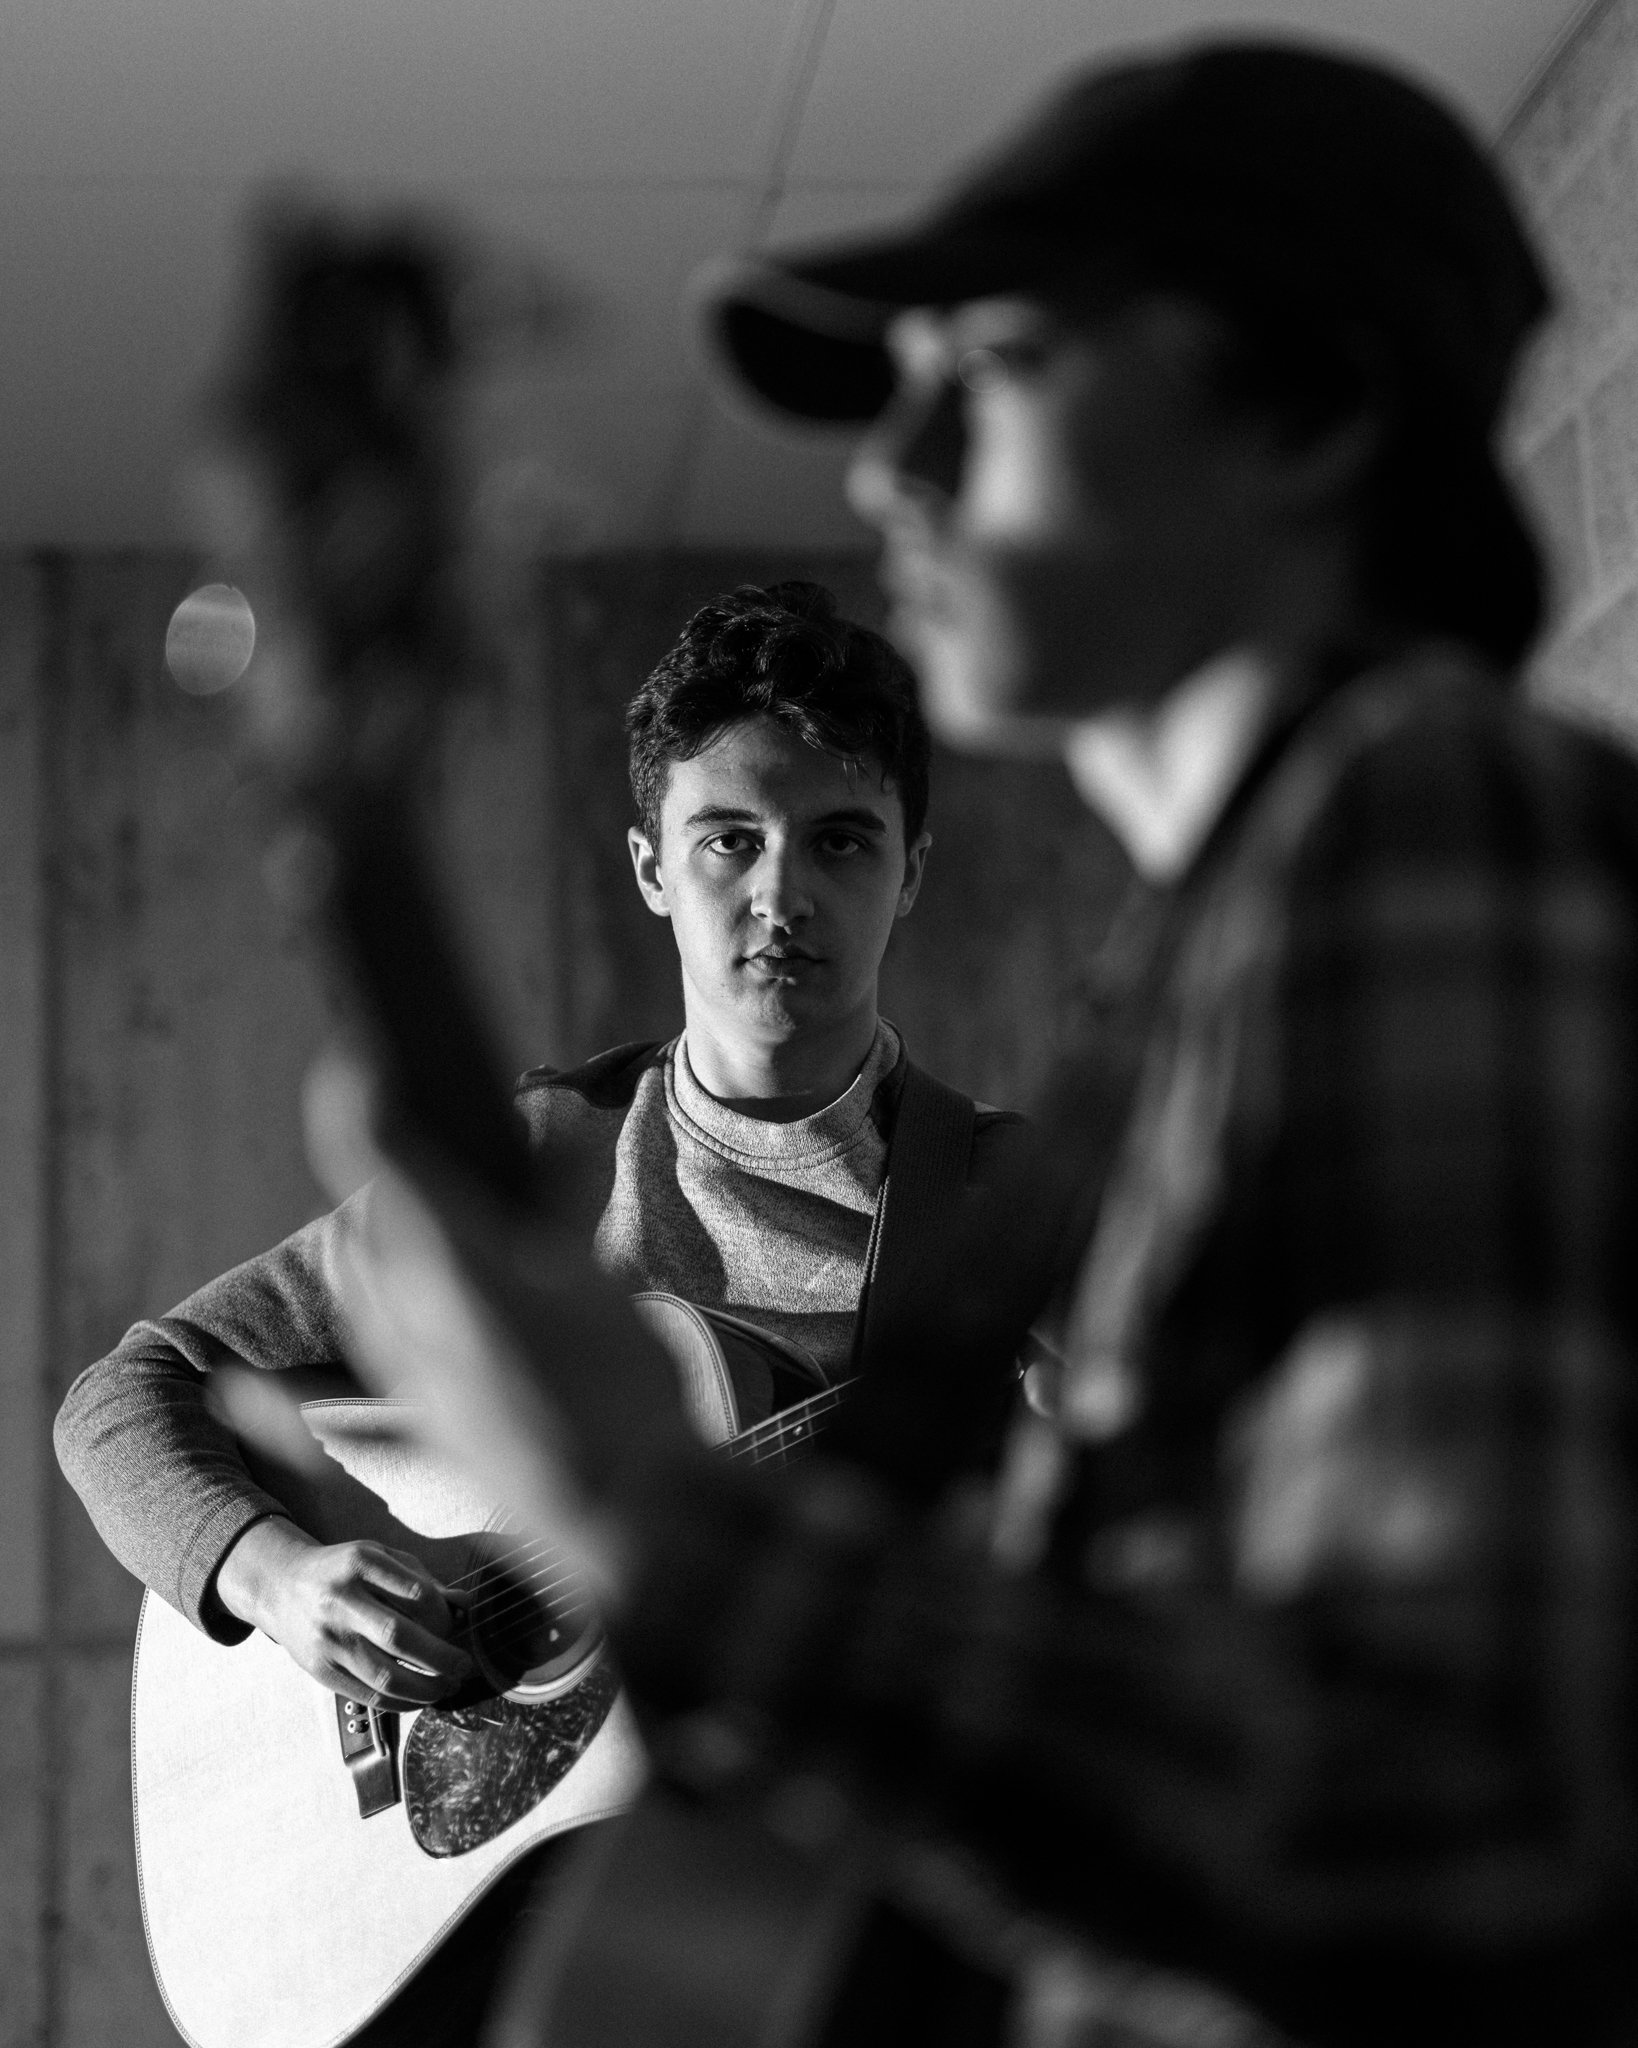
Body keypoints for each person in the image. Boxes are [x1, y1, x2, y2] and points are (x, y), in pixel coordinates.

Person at [321, 37, 1638, 2048]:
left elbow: (1456, 1822)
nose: (888, 466)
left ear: (1305, 410)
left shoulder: (1423, 815)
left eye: (994, 366)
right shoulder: (1238, 928)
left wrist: (653, 1517)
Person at [54, 578, 1025, 2047]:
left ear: (913, 871)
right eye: (728, 842)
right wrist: (277, 1578)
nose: (782, 896)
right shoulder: (543, 1163)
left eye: (840, 841)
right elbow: (126, 1398)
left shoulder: (1025, 1213)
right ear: (648, 866)